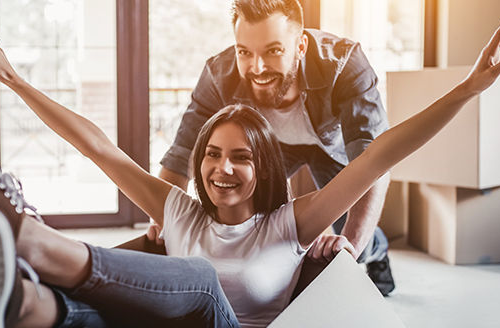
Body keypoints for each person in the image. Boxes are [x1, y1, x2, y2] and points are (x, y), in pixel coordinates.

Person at [0, 8, 500, 328]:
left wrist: (468, 88)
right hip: (168, 323)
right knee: (86, 313)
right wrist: (16, 82)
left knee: (197, 278)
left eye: (241, 156)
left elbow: (380, 153)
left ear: (264, 166)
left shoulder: (292, 224)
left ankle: (27, 236)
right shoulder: (179, 208)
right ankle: (16, 301)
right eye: (213, 154)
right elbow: (101, 148)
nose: (222, 168)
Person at [148, 0, 394, 295]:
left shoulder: (344, 63)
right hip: (273, 147)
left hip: (334, 148)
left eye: (273, 50)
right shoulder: (218, 74)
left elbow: (374, 161)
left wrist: (351, 250)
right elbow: (181, 155)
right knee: (264, 223)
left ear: (300, 46)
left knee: (350, 234)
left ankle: (377, 251)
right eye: (245, 52)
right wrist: (161, 223)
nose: (258, 67)